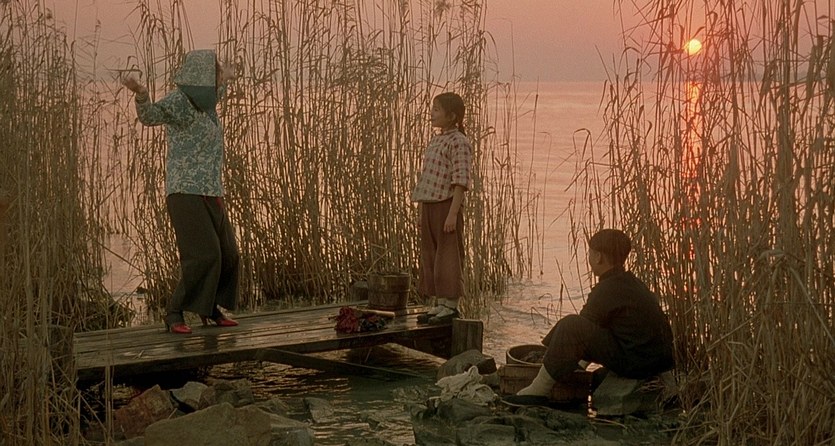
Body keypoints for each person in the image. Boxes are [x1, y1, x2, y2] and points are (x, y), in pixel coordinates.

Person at [121, 49, 240, 334]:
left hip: (211, 190)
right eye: (215, 74)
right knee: (205, 255)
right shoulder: (180, 101)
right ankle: (174, 312)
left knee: (229, 254)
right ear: (200, 76)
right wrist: (141, 93)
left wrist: (228, 78)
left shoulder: (206, 104)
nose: (217, 79)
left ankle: (210, 309)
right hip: (185, 192)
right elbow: (150, 116)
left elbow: (218, 92)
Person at [513, 229, 674, 400]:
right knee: (580, 337)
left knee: (570, 325)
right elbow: (595, 328)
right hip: (655, 361)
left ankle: (538, 390)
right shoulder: (632, 283)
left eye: (590, 253)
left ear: (598, 257)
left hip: (639, 364)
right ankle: (558, 366)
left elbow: (579, 333)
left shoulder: (607, 289)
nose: (589, 258)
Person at [411, 92, 473, 325]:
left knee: (448, 256)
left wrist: (453, 214)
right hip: (430, 204)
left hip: (446, 205)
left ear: (452, 116)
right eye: (433, 108)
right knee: (432, 255)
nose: (432, 113)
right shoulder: (437, 140)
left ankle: (451, 306)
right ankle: (440, 303)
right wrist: (421, 212)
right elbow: (427, 179)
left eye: (437, 110)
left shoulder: (459, 141)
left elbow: (460, 181)